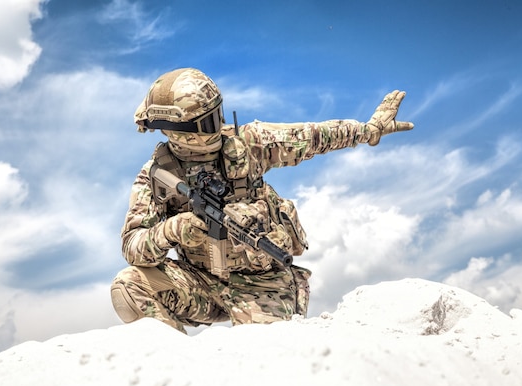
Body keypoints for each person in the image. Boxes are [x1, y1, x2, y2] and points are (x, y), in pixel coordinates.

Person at [110, 68, 413, 333]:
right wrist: (172, 230)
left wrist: (370, 130)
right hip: (202, 284)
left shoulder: (248, 144)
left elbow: (313, 136)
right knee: (129, 286)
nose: (217, 126)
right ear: (177, 129)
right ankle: (175, 371)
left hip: (264, 285)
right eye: (206, 122)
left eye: (218, 115)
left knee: (267, 360)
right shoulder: (156, 175)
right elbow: (133, 246)